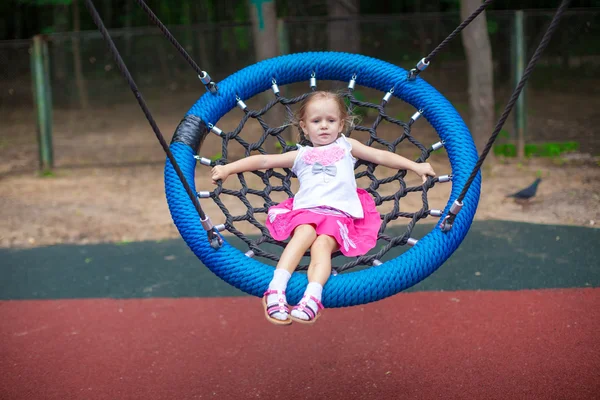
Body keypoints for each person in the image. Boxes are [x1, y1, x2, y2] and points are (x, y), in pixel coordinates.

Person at [211, 91, 436, 325]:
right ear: (304, 127)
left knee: (322, 244)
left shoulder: (347, 146)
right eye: (316, 121)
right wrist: (229, 169)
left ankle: (313, 296)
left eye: (331, 120)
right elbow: (264, 161)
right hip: (307, 210)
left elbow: (379, 155)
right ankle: (276, 289)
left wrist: (415, 166)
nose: (324, 126)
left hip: (338, 215)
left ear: (341, 124)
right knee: (305, 232)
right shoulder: (301, 155)